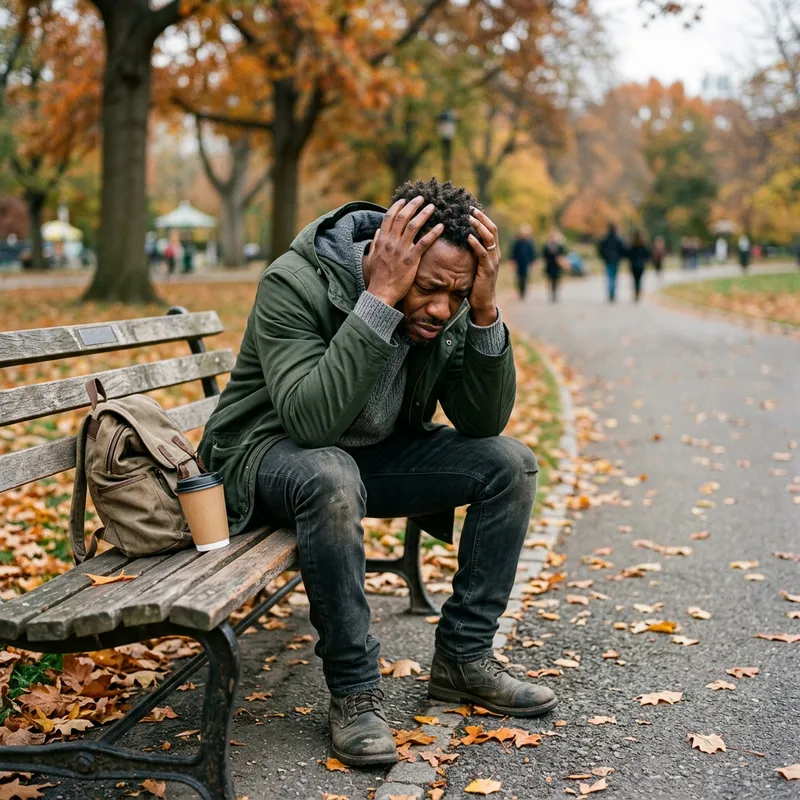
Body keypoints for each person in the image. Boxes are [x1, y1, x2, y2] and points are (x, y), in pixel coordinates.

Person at [198, 179, 557, 768]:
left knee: (509, 465)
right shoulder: (295, 283)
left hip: (361, 460)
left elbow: (482, 419)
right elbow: (311, 423)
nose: (442, 309)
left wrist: (486, 310)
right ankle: (355, 693)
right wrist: (381, 300)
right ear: (389, 256)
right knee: (332, 473)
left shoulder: (451, 302)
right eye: (431, 289)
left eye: (459, 294)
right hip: (264, 456)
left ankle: (464, 660)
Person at [597, 222, 626, 303]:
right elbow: (623, 249)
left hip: (608, 260)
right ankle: (612, 293)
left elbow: (600, 248)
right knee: (613, 277)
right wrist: (621, 257)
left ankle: (611, 292)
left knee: (610, 276)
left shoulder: (605, 238)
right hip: (615, 260)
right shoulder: (618, 239)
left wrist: (603, 256)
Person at [509, 223, 537, 300]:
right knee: (519, 277)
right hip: (518, 262)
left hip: (526, 262)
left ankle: (523, 292)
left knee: (525, 277)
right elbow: (513, 252)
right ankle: (520, 292)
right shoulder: (517, 241)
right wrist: (512, 261)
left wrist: (533, 262)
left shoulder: (530, 242)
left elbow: (533, 253)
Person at [542, 229, 566, 303]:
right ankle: (551, 293)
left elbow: (563, 255)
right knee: (550, 279)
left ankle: (554, 294)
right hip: (549, 265)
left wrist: (563, 262)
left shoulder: (560, 246)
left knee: (556, 280)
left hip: (557, 266)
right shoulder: (547, 246)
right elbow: (544, 256)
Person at [627, 231, 650, 302]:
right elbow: (648, 254)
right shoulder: (643, 244)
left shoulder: (632, 245)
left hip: (634, 265)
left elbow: (629, 254)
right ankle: (638, 293)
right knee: (639, 280)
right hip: (641, 265)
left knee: (635, 280)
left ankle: (636, 293)